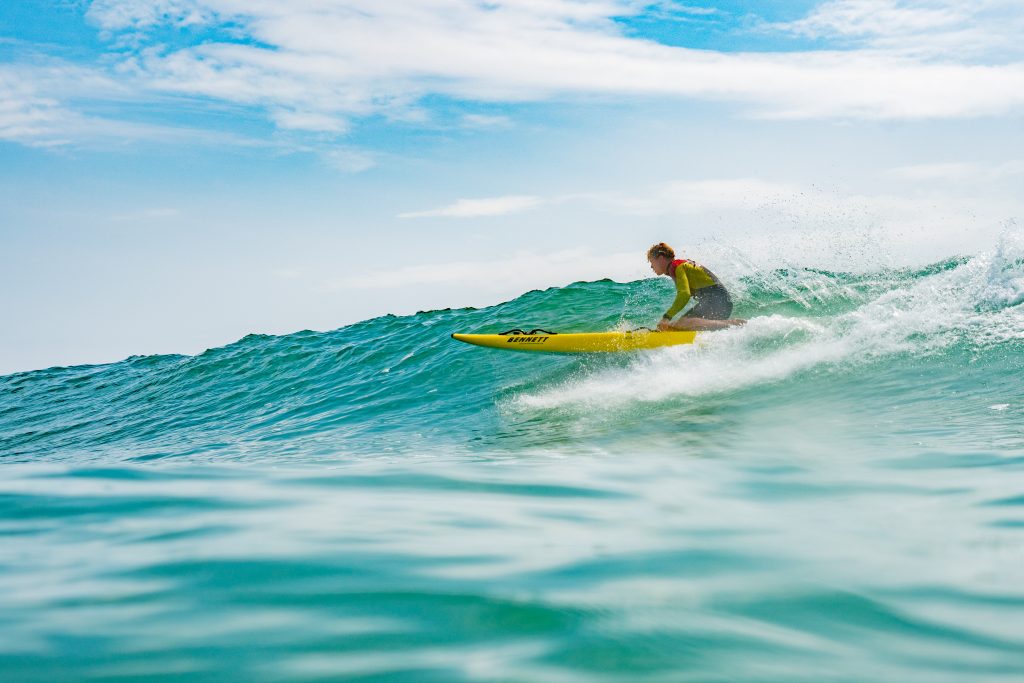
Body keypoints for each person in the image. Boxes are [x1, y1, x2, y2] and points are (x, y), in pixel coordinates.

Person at [647, 242, 745, 331]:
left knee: (682, 323)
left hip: (718, 301)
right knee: (677, 325)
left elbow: (684, 294)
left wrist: (666, 317)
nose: (651, 266)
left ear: (660, 258)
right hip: (718, 301)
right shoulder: (678, 266)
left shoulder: (676, 266)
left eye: (651, 261)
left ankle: (734, 324)